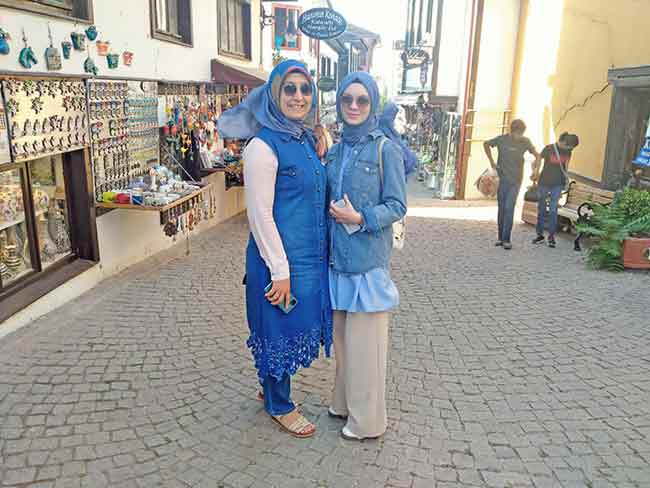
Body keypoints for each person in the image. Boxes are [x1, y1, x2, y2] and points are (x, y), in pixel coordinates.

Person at [217, 60, 332, 438]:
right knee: (278, 329)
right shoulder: (262, 146)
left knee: (288, 327)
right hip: (277, 261)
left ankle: (269, 387)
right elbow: (260, 215)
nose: (298, 96)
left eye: (305, 89)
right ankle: (279, 404)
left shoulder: (303, 139)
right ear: (274, 94)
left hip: (306, 257)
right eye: (290, 89)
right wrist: (280, 271)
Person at [326, 72, 407, 441]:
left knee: (366, 349)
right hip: (338, 260)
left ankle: (368, 421)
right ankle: (343, 404)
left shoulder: (385, 149)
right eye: (348, 99)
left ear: (372, 104)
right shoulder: (336, 149)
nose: (354, 106)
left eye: (362, 100)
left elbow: (397, 205)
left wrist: (360, 218)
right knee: (344, 344)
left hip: (367, 262)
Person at [484, 119, 541, 250]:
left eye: (522, 133)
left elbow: (537, 156)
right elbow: (486, 144)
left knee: (509, 208)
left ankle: (506, 239)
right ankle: (500, 238)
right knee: (502, 208)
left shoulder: (525, 141)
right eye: (518, 133)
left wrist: (536, 170)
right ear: (512, 131)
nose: (520, 136)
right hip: (502, 179)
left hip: (516, 180)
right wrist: (492, 161)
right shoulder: (501, 139)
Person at [531, 132, 580, 248]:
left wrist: (566, 181)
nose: (570, 149)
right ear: (564, 142)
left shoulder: (568, 151)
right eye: (569, 146)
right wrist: (535, 172)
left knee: (553, 211)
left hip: (558, 184)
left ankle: (551, 237)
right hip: (544, 182)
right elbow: (537, 161)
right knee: (542, 209)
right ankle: (540, 235)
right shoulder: (548, 148)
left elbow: (566, 167)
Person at [379, 101, 418, 177]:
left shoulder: (396, 140)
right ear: (389, 121)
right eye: (400, 119)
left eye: (404, 118)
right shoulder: (387, 145)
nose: (404, 123)